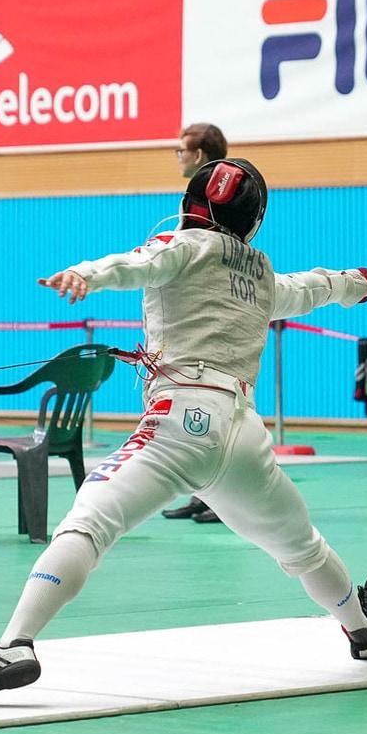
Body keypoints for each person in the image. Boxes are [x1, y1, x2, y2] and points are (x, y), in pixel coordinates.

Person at [0, 159, 367, 701]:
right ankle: (364, 630)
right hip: (242, 437)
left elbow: (134, 265)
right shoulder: (262, 274)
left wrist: (86, 273)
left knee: (89, 521)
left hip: (180, 423)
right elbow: (314, 287)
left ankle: (15, 644)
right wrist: (357, 284)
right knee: (301, 548)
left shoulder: (181, 244)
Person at [161, 121, 229, 524]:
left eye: (181, 150)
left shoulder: (222, 196)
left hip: (215, 315)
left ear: (199, 154)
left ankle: (222, 500)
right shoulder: (198, 194)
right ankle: (204, 495)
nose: (178, 156)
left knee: (219, 406)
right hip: (194, 313)